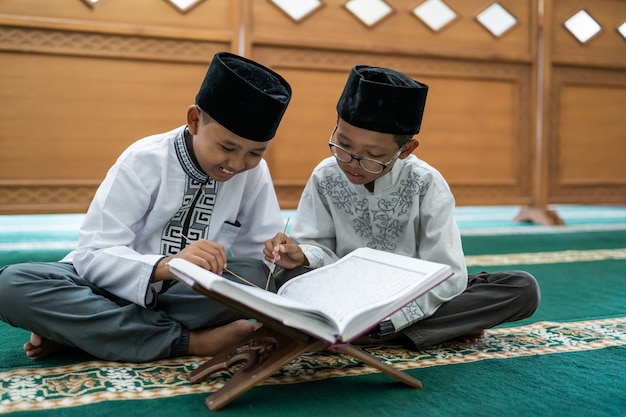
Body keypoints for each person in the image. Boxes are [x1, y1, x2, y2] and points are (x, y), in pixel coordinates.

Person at [0, 51, 292, 362]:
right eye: (227, 147)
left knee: (262, 275)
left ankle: (84, 332)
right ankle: (191, 342)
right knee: (11, 284)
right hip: (111, 288)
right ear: (194, 120)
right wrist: (167, 266)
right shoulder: (144, 159)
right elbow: (93, 254)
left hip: (189, 297)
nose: (236, 164)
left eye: (254, 153)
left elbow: (258, 259)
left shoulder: (253, 173)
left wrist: (277, 253)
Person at [264, 64, 540, 349]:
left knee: (521, 287)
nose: (352, 163)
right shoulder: (325, 175)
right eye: (343, 145)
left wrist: (393, 319)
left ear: (405, 150)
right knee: (277, 275)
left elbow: (448, 274)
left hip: (409, 297)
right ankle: (418, 332)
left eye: (373, 155)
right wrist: (300, 254)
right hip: (342, 292)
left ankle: (380, 332)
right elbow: (318, 250)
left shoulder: (426, 184)